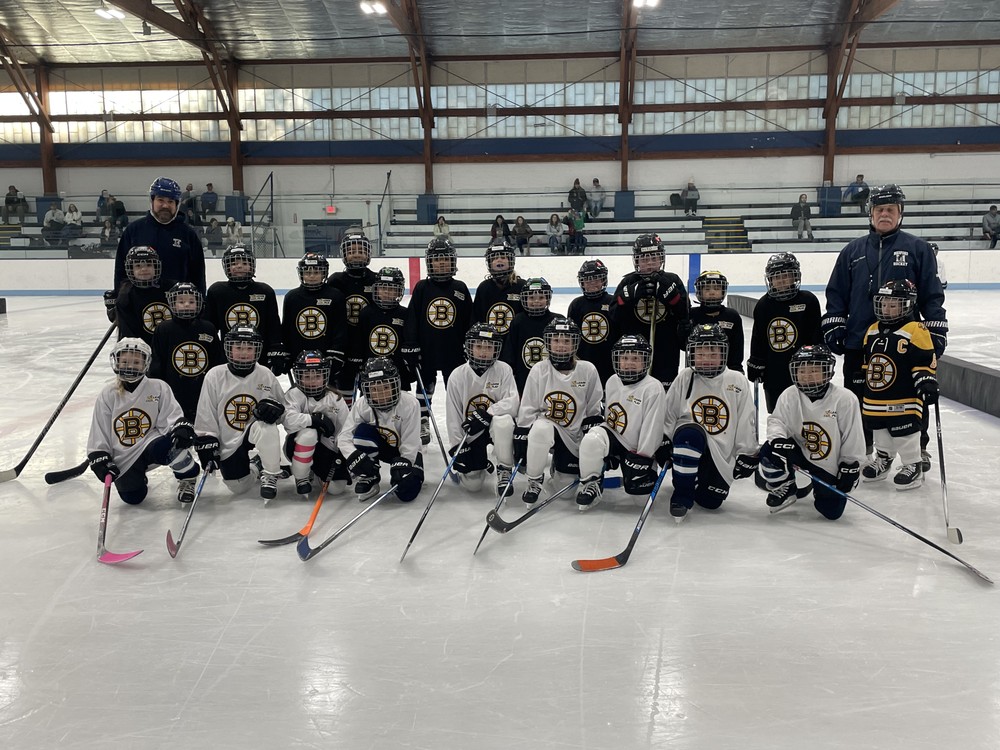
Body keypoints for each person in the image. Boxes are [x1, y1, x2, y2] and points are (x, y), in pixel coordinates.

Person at [822, 183, 947, 467]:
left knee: (911, 394)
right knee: (860, 398)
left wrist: (936, 329)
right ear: (871, 213)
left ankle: (918, 448)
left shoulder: (918, 249)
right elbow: (837, 293)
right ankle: (864, 446)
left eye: (891, 209)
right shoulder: (852, 251)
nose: (885, 214)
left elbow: (932, 294)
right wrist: (834, 323)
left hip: (905, 342)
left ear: (900, 213)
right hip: (860, 340)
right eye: (879, 209)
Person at [86, 338, 200, 505]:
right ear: (116, 362)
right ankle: (138, 475)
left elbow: (171, 417)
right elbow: (100, 429)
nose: (130, 366)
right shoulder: (108, 394)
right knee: (133, 498)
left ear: (145, 363)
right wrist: (99, 456)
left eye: (136, 362)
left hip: (150, 443)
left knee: (172, 446)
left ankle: (187, 478)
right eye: (125, 362)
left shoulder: (158, 387)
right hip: (124, 454)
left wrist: (180, 427)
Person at [662, 324, 758, 522]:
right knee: (690, 433)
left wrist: (747, 453)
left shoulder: (736, 380)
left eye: (713, 353)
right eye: (700, 353)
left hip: (720, 452)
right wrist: (663, 440)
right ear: (692, 354)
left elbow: (745, 420)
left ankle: (691, 474)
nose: (706, 358)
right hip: (689, 440)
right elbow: (669, 413)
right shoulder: (686, 376)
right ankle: (681, 495)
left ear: (723, 354)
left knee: (710, 501)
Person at [756, 344, 865, 517]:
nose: (806, 375)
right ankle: (786, 486)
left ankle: (819, 485)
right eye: (801, 370)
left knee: (831, 511)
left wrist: (850, 465)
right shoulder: (790, 394)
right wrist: (778, 440)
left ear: (827, 371)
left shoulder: (845, 399)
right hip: (798, 452)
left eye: (814, 370)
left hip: (828, 463)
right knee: (769, 451)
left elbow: (853, 436)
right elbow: (777, 421)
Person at [513, 318, 603, 506]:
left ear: (575, 343)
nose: (561, 345)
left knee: (566, 492)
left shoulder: (588, 369)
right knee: (540, 427)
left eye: (566, 341)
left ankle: (559, 464)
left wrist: (591, 448)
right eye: (556, 340)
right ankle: (534, 480)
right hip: (547, 428)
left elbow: (594, 408)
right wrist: (522, 436)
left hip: (574, 434)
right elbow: (529, 407)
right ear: (548, 342)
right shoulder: (539, 369)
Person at [859, 280, 939, 490]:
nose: (886, 309)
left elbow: (924, 361)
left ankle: (913, 463)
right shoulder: (872, 330)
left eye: (893, 305)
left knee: (905, 431)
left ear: (908, 305)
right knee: (879, 429)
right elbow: (868, 361)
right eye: (883, 304)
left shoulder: (916, 329)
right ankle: (884, 459)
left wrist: (926, 381)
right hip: (876, 396)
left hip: (904, 395)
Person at [194, 323, 286, 499]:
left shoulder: (265, 374)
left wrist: (276, 411)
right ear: (229, 348)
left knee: (266, 426)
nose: (244, 353)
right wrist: (207, 440)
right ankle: (257, 465)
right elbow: (206, 413)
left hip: (254, 430)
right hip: (229, 439)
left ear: (257, 349)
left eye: (249, 348)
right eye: (238, 348)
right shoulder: (215, 375)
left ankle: (271, 473)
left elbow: (283, 409)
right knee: (238, 486)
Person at [576, 334, 665, 510]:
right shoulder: (612, 381)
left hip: (637, 448)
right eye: (624, 358)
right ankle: (590, 482)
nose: (629, 362)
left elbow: (652, 429)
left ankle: (633, 474)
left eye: (635, 358)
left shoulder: (653, 388)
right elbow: (610, 419)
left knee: (639, 498)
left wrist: (642, 457)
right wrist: (607, 453)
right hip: (615, 436)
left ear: (646, 361)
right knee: (591, 439)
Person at [405, 238, 473, 444]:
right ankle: (423, 420)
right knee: (425, 385)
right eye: (437, 259)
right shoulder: (422, 288)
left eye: (445, 259)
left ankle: (460, 419)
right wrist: (411, 344)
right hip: (427, 349)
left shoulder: (460, 287)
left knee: (456, 386)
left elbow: (469, 319)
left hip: (453, 349)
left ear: (453, 261)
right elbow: (412, 318)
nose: (441, 263)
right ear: (429, 262)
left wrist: (469, 345)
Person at [445, 323, 519, 496]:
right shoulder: (458, 375)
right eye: (479, 346)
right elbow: (453, 416)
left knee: (504, 421)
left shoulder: (503, 369)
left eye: (489, 347)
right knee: (473, 485)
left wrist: (488, 413)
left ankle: (504, 469)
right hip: (471, 432)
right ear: (469, 347)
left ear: (496, 349)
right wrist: (458, 446)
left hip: (496, 428)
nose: (484, 351)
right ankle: (481, 463)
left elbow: (513, 403)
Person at [337, 357, 424, 503]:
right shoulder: (362, 405)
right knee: (362, 434)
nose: (381, 394)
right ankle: (370, 475)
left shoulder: (410, 404)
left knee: (407, 491)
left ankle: (402, 477)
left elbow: (411, 442)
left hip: (406, 451)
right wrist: (354, 456)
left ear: (395, 384)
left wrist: (404, 463)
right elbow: (344, 437)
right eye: (374, 389)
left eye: (386, 387)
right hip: (380, 448)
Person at [610, 234, 690, 389]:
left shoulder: (673, 280)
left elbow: (685, 315)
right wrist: (628, 298)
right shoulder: (628, 282)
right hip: (633, 353)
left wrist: (673, 298)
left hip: (666, 350)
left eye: (654, 258)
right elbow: (614, 316)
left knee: (665, 393)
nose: (650, 263)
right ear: (637, 261)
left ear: (661, 259)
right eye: (644, 259)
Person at [111, 178, 205, 304]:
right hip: (139, 304)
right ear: (152, 201)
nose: (165, 205)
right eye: (160, 200)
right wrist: (120, 302)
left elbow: (198, 274)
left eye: (170, 201)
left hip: (178, 306)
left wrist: (200, 304)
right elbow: (120, 271)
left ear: (177, 204)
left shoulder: (188, 234)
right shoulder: (134, 231)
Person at [747, 253, 822, 412]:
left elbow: (816, 335)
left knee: (808, 413)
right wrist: (756, 362)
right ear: (770, 279)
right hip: (775, 370)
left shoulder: (808, 301)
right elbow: (759, 338)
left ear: (795, 276)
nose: (781, 280)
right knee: (778, 413)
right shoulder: (763, 305)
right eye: (776, 277)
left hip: (805, 369)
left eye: (786, 275)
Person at [149, 282, 224, 421]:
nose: (186, 305)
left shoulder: (208, 328)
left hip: (202, 391)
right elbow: (157, 361)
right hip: (173, 391)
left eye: (191, 301)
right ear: (172, 304)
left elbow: (217, 360)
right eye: (181, 302)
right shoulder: (164, 329)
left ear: (199, 303)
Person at [282, 351, 351, 496]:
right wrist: (313, 420)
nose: (312, 381)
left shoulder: (335, 399)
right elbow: (288, 420)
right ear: (299, 377)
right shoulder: (293, 395)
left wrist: (340, 455)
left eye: (317, 376)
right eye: (307, 377)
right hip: (296, 445)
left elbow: (344, 430)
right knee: (309, 433)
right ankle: (301, 476)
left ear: (325, 376)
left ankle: (314, 471)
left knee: (337, 488)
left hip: (325, 448)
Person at [204, 244, 282, 368]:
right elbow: (209, 326)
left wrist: (275, 350)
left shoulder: (265, 292)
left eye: (245, 263)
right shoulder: (217, 292)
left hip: (259, 355)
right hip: (228, 355)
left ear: (252, 265)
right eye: (234, 263)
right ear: (227, 267)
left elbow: (273, 326)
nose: (239, 266)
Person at [327, 231, 378, 406]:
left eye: (361, 251)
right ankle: (346, 415)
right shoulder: (335, 281)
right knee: (344, 383)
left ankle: (367, 414)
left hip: (368, 343)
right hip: (344, 343)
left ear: (368, 253)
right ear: (344, 254)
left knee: (370, 384)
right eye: (351, 251)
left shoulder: (375, 280)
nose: (356, 254)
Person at [279, 252, 347, 376]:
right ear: (301, 273)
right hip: (299, 357)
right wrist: (286, 353)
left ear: (324, 273)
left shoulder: (336, 296)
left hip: (327, 356)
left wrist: (336, 352)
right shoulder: (292, 297)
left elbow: (340, 328)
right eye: (307, 272)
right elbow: (287, 329)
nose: (312, 276)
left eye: (316, 272)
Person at [353, 266, 413, 394]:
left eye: (392, 289)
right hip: (371, 371)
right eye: (383, 288)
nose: (387, 292)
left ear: (399, 291)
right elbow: (359, 341)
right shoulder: (366, 314)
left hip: (398, 370)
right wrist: (357, 361)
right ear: (376, 289)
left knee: (402, 400)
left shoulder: (405, 314)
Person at [501, 277, 559, 393]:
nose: (536, 301)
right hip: (524, 378)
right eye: (531, 298)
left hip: (551, 378)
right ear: (525, 299)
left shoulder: (556, 320)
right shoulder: (518, 321)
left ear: (547, 299)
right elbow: (510, 351)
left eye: (541, 297)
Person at [567, 259, 615, 384]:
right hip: (584, 358)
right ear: (582, 282)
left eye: (596, 278)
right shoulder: (576, 305)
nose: (592, 282)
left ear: (603, 280)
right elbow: (571, 335)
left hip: (608, 360)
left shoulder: (612, 302)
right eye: (588, 279)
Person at [114, 246, 174, 344]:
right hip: (141, 347)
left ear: (156, 266)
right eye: (138, 266)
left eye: (149, 265)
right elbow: (127, 332)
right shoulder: (126, 295)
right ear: (131, 269)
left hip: (169, 345)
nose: (144, 269)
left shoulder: (171, 288)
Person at [689, 270, 745, 374]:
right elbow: (684, 346)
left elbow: (737, 347)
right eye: (707, 289)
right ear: (699, 291)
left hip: (727, 371)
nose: (712, 292)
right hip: (698, 371)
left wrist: (736, 368)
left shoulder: (732, 316)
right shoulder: (691, 315)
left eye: (717, 288)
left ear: (723, 291)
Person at [472, 240, 525, 340]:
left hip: (514, 343)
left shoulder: (521, 286)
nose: (499, 260)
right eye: (495, 258)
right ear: (490, 263)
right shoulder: (484, 288)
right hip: (489, 344)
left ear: (510, 261)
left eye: (503, 257)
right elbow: (476, 319)